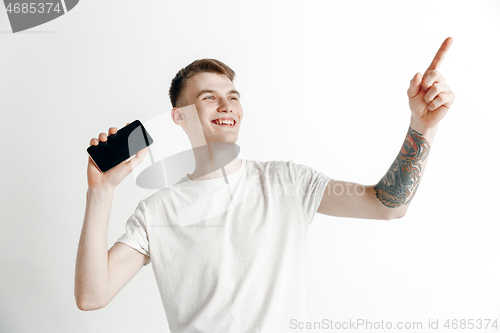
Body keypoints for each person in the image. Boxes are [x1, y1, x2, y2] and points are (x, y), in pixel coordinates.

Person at [74, 37, 455, 332]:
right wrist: (101, 192)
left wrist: (423, 126)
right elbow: (92, 295)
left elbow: (388, 204)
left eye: (233, 97)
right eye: (210, 98)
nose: (227, 106)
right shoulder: (157, 212)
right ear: (180, 117)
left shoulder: (287, 182)